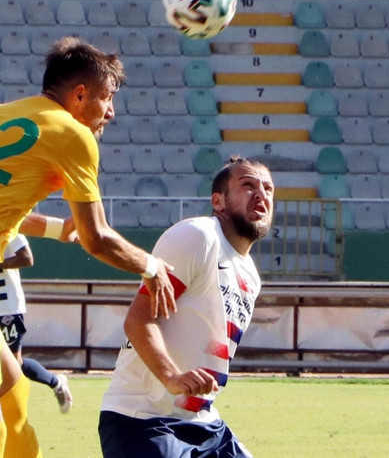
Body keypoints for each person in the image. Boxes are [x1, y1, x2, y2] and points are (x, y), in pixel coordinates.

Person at [0, 37, 176, 458]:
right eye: (107, 98)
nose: (111, 111)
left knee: (14, 398)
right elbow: (98, 238)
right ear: (80, 94)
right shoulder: (73, 134)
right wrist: (152, 267)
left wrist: (56, 229)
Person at [98, 156, 274, 458]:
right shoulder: (198, 236)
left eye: (269, 189)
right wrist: (171, 377)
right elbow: (139, 320)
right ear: (218, 201)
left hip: (205, 426)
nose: (261, 195)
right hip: (142, 420)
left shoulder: (251, 276)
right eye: (248, 185)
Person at [0, 234, 72, 414]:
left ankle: (56, 382)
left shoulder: (8, 224)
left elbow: (27, 258)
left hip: (7, 306)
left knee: (13, 365)